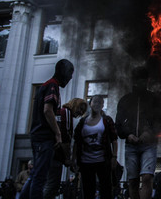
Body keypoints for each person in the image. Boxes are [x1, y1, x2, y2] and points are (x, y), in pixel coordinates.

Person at [22, 59, 74, 199]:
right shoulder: (52, 86)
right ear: (64, 72)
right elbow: (47, 110)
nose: (71, 77)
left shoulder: (46, 85)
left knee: (34, 175)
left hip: (38, 137)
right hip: (44, 138)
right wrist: (57, 133)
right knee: (39, 177)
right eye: (70, 73)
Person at [115, 68, 161, 199]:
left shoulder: (154, 99)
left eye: (144, 80)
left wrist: (150, 132)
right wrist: (128, 135)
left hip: (149, 145)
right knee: (132, 181)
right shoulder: (125, 100)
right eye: (139, 80)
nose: (142, 83)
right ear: (134, 81)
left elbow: (160, 121)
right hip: (131, 146)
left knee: (147, 177)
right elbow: (119, 124)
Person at [73, 95, 118, 199]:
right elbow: (77, 141)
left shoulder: (106, 120)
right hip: (85, 162)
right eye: (95, 102)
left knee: (106, 190)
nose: (97, 104)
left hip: (103, 161)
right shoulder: (83, 122)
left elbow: (114, 140)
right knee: (88, 191)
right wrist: (74, 159)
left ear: (102, 105)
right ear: (90, 104)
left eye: (100, 102)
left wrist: (114, 157)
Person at [43, 98, 87, 199]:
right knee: (52, 184)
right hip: (55, 154)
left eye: (82, 111)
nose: (80, 112)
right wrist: (67, 159)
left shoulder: (59, 112)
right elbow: (66, 136)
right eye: (80, 108)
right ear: (74, 104)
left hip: (49, 151)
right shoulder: (66, 112)